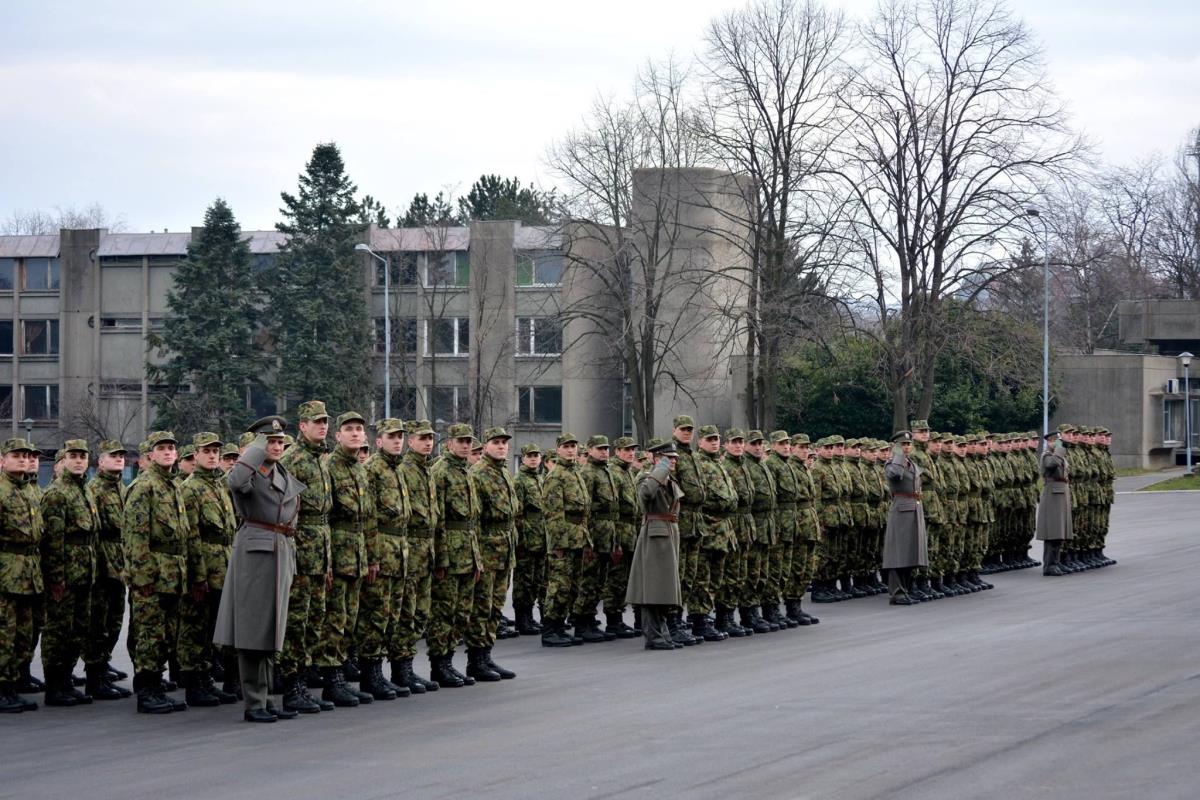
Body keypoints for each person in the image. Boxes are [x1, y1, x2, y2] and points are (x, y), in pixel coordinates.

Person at [214, 416, 304, 723]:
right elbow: (235, 481)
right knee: (253, 631)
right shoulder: (249, 472)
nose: (277, 446)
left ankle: (266, 698)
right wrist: (254, 448)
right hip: (256, 552)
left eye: (280, 441)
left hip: (280, 552)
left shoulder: (279, 472)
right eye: (270, 441)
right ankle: (253, 701)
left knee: (270, 630)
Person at [123, 431, 192, 714]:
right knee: (150, 634)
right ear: (150, 455)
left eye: (171, 448)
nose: (167, 453)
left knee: (166, 633)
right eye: (161, 449)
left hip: (173, 571)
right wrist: (142, 577)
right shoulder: (144, 487)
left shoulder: (172, 485)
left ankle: (156, 684)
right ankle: (147, 689)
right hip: (152, 573)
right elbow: (134, 537)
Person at [277, 400, 335, 712]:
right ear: (302, 426)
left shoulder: (320, 460)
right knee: (296, 623)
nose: (322, 426)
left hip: (319, 553)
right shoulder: (294, 460)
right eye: (316, 422)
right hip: (299, 554)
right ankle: (291, 685)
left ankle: (304, 679)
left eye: (325, 421)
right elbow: (285, 512)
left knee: (315, 621)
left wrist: (326, 561)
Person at [177, 432, 238, 707]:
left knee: (213, 627)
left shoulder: (222, 485)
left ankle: (206, 680)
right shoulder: (190, 489)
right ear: (196, 454)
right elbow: (190, 536)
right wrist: (197, 575)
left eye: (216, 451)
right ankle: (194, 683)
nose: (213, 455)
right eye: (207, 451)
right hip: (204, 568)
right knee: (196, 627)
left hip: (224, 565)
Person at [39, 439, 101, 707]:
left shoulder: (85, 490)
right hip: (65, 574)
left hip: (85, 572)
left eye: (82, 456)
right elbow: (52, 541)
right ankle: (53, 686)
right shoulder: (57, 493)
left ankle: (66, 680)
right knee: (58, 631)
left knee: (78, 629)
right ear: (63, 460)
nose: (78, 461)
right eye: (73, 456)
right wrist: (56, 578)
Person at [358, 418, 411, 700]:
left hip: (398, 552)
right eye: (391, 436)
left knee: (392, 615)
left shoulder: (397, 469)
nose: (397, 441)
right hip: (381, 550)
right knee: (375, 616)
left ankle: (387, 672)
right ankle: (370, 674)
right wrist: (372, 557)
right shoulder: (373, 470)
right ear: (378, 441)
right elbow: (368, 518)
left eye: (400, 436)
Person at [427, 423, 482, 685]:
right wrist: (441, 557)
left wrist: (477, 557)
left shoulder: (466, 471)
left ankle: (449, 660)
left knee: (462, 612)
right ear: (449, 443)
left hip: (468, 552)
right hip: (450, 553)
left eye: (468, 441)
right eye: (460, 441)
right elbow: (437, 520)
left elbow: (474, 519)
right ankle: (439, 664)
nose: (465, 445)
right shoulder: (441, 472)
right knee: (444, 612)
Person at [466, 426, 519, 681]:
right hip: (487, 549)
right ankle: (476, 660)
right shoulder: (477, 474)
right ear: (485, 445)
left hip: (505, 549)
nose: (501, 446)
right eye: (496, 442)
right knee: (482, 607)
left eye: (504, 443)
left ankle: (487, 655)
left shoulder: (504, 473)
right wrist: (476, 555)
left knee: (496, 607)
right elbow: (474, 520)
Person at [85, 439, 132, 699]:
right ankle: (95, 674)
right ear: (100, 461)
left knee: (114, 621)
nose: (118, 459)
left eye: (121, 456)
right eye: (112, 456)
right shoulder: (95, 490)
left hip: (120, 564)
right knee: (98, 623)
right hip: (103, 566)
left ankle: (103, 665)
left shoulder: (121, 489)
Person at [626, 439, 683, 651]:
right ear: (657, 459)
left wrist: (665, 472)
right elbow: (644, 496)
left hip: (668, 534)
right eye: (669, 458)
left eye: (675, 458)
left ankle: (662, 631)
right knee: (652, 588)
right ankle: (653, 635)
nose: (673, 462)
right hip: (655, 535)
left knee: (664, 587)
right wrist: (659, 470)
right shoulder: (648, 476)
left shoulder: (669, 479)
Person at [0, 438, 44, 713]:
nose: (22, 459)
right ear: (3, 460)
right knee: (4, 633)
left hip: (29, 571)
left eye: (25, 455)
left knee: (24, 634)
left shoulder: (29, 491)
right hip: (6, 572)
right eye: (15, 455)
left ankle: (13, 684)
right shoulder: (2, 492)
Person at [540, 433, 592, 648]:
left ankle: (560, 626)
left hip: (578, 537)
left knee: (572, 586)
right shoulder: (556, 476)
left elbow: (584, 510)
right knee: (559, 585)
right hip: (564, 540)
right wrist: (559, 543)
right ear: (558, 449)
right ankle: (550, 628)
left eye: (574, 446)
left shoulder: (576, 473)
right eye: (566, 446)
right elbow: (553, 514)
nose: (571, 450)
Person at [882, 431, 929, 605]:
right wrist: (898, 454)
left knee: (911, 552)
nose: (907, 447)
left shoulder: (911, 463)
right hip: (901, 510)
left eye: (908, 444)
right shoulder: (892, 463)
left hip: (914, 509)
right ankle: (897, 592)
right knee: (898, 554)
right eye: (903, 444)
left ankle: (907, 589)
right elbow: (895, 474)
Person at [512, 443, 547, 636]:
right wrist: (521, 538)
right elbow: (517, 513)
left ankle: (530, 616)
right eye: (530, 455)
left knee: (536, 580)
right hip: (527, 539)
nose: (533, 459)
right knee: (523, 581)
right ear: (523, 458)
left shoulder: (540, 479)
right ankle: (521, 618)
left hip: (540, 537)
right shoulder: (520, 481)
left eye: (536, 455)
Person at [1036, 430, 1073, 576]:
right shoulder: (1047, 455)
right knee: (1052, 533)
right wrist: (1058, 450)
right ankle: (1049, 565)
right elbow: (1051, 465)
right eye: (1055, 441)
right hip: (1052, 495)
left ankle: (1056, 563)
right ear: (1049, 442)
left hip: (1061, 494)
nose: (1058, 444)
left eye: (1058, 441)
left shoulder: (1059, 455)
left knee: (1059, 534)